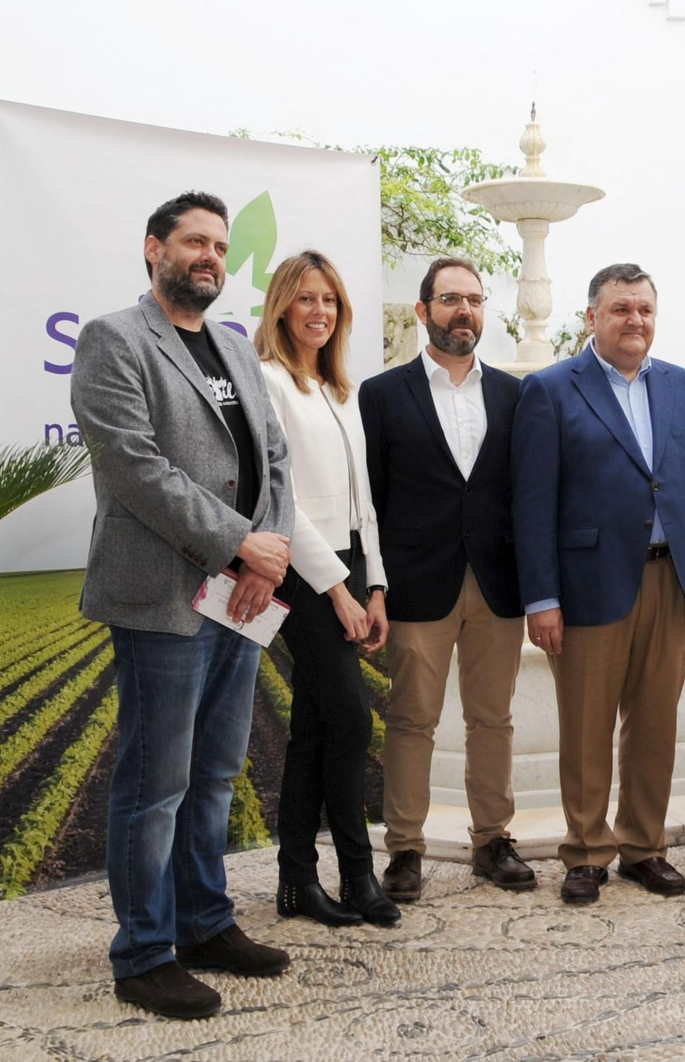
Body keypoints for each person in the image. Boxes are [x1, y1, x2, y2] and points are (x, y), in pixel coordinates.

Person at [71, 191, 293, 1020]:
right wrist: (243, 543)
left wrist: (263, 557)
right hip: (163, 596)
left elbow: (273, 458)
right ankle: (143, 952)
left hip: (240, 595)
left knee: (214, 776)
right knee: (153, 783)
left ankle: (205, 922)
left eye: (220, 245)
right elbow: (136, 469)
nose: (210, 256)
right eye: (194, 241)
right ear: (153, 248)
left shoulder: (235, 348)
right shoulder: (113, 340)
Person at [513, 263, 685, 905]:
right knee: (585, 725)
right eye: (620, 309)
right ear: (592, 317)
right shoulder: (552, 390)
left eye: (644, 310)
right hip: (586, 584)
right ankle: (584, 852)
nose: (634, 321)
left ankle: (643, 847)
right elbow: (531, 502)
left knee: (657, 723)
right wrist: (542, 598)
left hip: (672, 581)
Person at [359, 256, 532, 901]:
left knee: (494, 719)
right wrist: (372, 585)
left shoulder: (517, 395)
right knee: (411, 720)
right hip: (416, 583)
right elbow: (367, 503)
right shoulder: (380, 395)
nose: (465, 311)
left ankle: (492, 841)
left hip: (496, 584)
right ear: (422, 310)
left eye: (475, 300)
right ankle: (404, 850)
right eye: (451, 299)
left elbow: (527, 496)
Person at [257, 251, 400, 928]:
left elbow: (361, 501)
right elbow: (280, 503)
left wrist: (374, 584)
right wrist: (338, 589)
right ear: (283, 305)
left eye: (331, 301)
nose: (319, 311)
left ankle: (296, 884)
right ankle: (358, 875)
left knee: (315, 728)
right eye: (307, 299)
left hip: (348, 564)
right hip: (302, 568)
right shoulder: (269, 383)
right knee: (350, 718)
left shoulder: (340, 390)